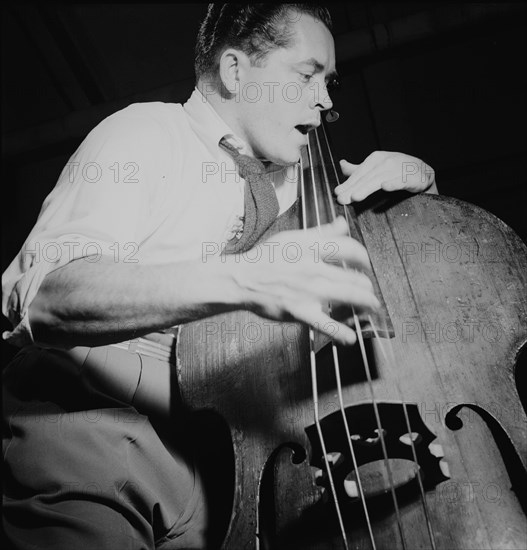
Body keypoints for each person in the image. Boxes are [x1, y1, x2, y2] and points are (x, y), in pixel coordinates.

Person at [2, 4, 437, 549]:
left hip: (231, 457)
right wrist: (242, 279)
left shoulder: (307, 192)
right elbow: (49, 297)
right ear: (236, 72)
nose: (326, 101)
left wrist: (422, 203)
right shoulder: (146, 134)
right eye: (307, 76)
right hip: (101, 423)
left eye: (330, 83)